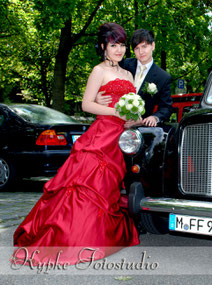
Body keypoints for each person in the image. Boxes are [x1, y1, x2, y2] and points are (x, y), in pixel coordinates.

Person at [11, 23, 139, 266]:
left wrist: (133, 119)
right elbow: (86, 105)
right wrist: (115, 112)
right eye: (114, 45)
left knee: (110, 189)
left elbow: (128, 110)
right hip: (100, 138)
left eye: (122, 45)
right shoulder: (98, 71)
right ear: (103, 47)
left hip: (119, 140)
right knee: (88, 188)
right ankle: (78, 238)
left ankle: (103, 237)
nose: (119, 49)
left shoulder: (128, 74)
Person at [96, 29, 173, 127]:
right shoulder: (123, 64)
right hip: (113, 122)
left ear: (153, 46)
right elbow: (104, 80)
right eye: (137, 48)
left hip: (140, 131)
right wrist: (97, 98)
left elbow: (166, 108)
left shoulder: (163, 77)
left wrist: (153, 118)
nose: (141, 52)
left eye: (144, 46)